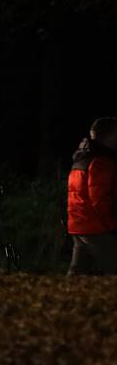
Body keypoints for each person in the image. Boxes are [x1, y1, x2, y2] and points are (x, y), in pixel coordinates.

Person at [67, 116, 117, 276]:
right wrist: (112, 225)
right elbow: (100, 198)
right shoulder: (101, 160)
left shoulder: (81, 158)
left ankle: (58, 300)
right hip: (96, 227)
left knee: (77, 275)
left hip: (79, 224)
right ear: (110, 135)